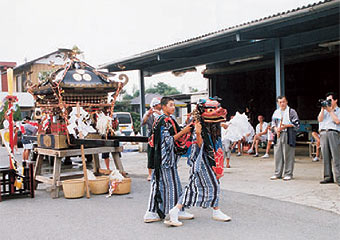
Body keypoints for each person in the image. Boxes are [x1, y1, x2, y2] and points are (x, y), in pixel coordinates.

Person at [164, 98, 231, 227]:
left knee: (198, 186)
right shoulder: (198, 124)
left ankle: (177, 210)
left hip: (210, 158)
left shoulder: (214, 124)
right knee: (209, 185)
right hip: (201, 160)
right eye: (211, 110)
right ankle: (178, 211)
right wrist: (199, 134)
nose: (216, 112)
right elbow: (198, 145)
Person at [144, 97, 193, 223]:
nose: (173, 107)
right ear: (163, 106)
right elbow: (168, 141)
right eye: (170, 105)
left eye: (174, 105)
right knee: (168, 185)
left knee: (171, 184)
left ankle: (174, 210)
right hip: (164, 160)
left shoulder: (168, 119)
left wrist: (185, 128)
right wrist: (185, 131)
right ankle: (168, 213)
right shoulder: (163, 121)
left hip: (166, 159)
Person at [270, 96, 300, 181]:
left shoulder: (291, 111)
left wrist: (285, 126)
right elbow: (273, 123)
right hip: (278, 134)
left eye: (283, 102)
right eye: (280, 102)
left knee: (288, 154)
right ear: (278, 103)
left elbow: (296, 123)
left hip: (288, 134)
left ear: (286, 102)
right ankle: (277, 173)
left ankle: (288, 173)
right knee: (278, 154)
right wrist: (275, 129)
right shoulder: (276, 112)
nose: (282, 104)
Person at [317, 92, 340, 186]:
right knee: (325, 156)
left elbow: (337, 121)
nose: (328, 102)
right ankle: (327, 177)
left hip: (333, 132)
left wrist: (330, 111)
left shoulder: (338, 110)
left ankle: (339, 178)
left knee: (336, 156)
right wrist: (323, 109)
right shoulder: (325, 111)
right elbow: (320, 119)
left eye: (330, 100)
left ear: (335, 100)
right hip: (323, 133)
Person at [142, 97, 162, 181]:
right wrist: (148, 115)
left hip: (161, 135)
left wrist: (160, 114)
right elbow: (143, 122)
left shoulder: (162, 113)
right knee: (151, 154)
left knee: (160, 153)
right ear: (156, 105)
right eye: (159, 104)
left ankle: (160, 173)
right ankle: (150, 173)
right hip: (152, 135)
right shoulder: (149, 113)